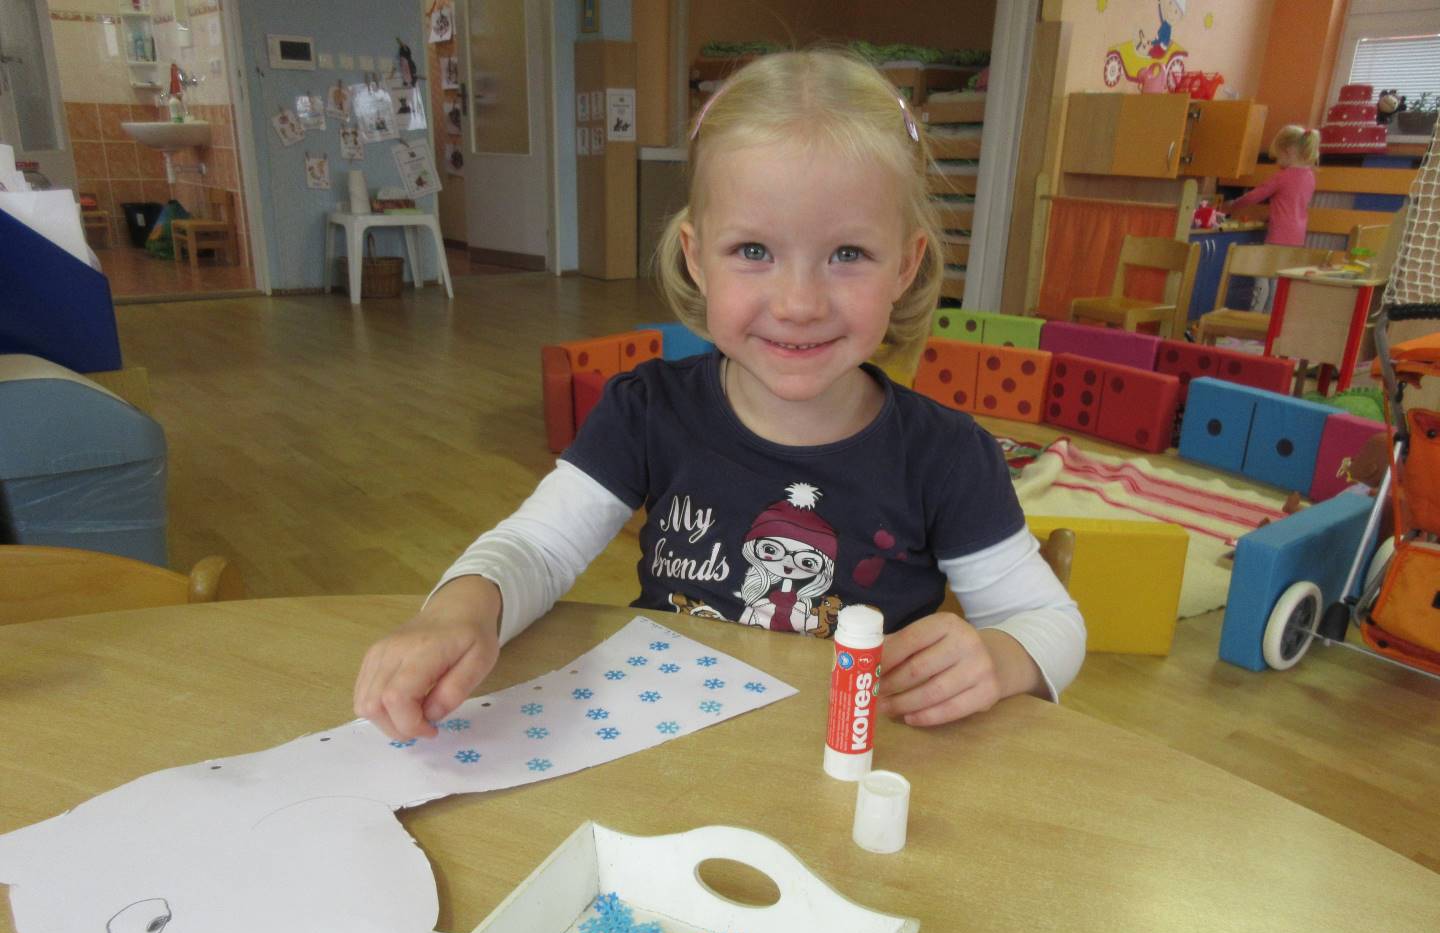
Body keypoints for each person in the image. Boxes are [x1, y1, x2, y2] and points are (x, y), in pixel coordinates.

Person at [353, 49, 1085, 743]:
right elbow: (537, 548)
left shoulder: (947, 455)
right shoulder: (646, 411)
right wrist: (462, 608)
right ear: (697, 257)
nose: (798, 304)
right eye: (753, 251)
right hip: (667, 744)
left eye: (849, 254)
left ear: (906, 265)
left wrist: (1000, 658)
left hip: (851, 764)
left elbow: (1048, 619)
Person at [1221, 124, 1320, 247]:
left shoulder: (1283, 176)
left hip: (1279, 235)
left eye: (1278, 157)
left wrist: (1233, 205)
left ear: (1288, 151)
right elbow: (1291, 203)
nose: (1277, 163)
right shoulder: (1310, 176)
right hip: (1298, 235)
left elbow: (1255, 196)